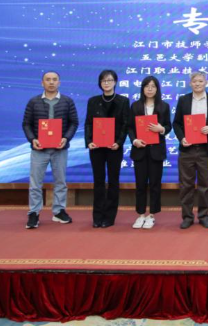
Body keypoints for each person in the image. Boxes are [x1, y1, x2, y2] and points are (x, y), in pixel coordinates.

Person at [22, 71, 79, 230]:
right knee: (35, 183)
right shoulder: (34, 102)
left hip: (60, 148)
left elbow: (74, 123)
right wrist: (32, 139)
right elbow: (26, 124)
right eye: (48, 80)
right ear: (42, 83)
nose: (51, 82)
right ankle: (34, 213)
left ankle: (59, 211)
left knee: (60, 181)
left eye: (54, 79)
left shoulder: (67, 101)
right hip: (39, 149)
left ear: (59, 83)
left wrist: (66, 138)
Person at [172, 71, 208, 229]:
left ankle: (204, 215)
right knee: (186, 185)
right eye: (194, 81)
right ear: (190, 83)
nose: (197, 84)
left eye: (200, 81)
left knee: (204, 185)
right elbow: (176, 123)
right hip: (187, 149)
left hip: (206, 149)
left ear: (206, 83)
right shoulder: (183, 100)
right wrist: (182, 137)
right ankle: (187, 217)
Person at [85, 69, 130, 228]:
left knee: (113, 181)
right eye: (104, 80)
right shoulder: (93, 101)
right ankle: (97, 217)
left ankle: (109, 217)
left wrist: (119, 142)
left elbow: (125, 124)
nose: (107, 83)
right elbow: (88, 123)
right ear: (100, 83)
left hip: (114, 147)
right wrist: (89, 141)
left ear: (115, 82)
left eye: (110, 80)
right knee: (98, 181)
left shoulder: (123, 101)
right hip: (96, 147)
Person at [128, 75, 171, 230]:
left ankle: (152, 215)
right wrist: (134, 140)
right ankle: (140, 214)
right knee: (140, 184)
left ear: (157, 89)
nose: (150, 89)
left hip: (156, 151)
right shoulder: (135, 106)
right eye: (147, 86)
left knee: (154, 184)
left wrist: (162, 129)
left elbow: (169, 126)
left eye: (153, 86)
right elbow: (130, 127)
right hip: (140, 149)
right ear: (143, 89)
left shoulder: (164, 106)